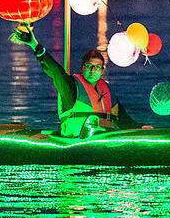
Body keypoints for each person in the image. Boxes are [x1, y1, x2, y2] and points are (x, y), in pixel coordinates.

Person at [13, 24, 151, 137]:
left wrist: (142, 128)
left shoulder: (107, 91)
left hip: (108, 140)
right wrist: (34, 44)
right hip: (76, 141)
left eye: (97, 67)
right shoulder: (71, 87)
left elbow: (125, 121)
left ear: (102, 71)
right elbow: (54, 70)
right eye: (89, 66)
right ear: (82, 68)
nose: (92, 70)